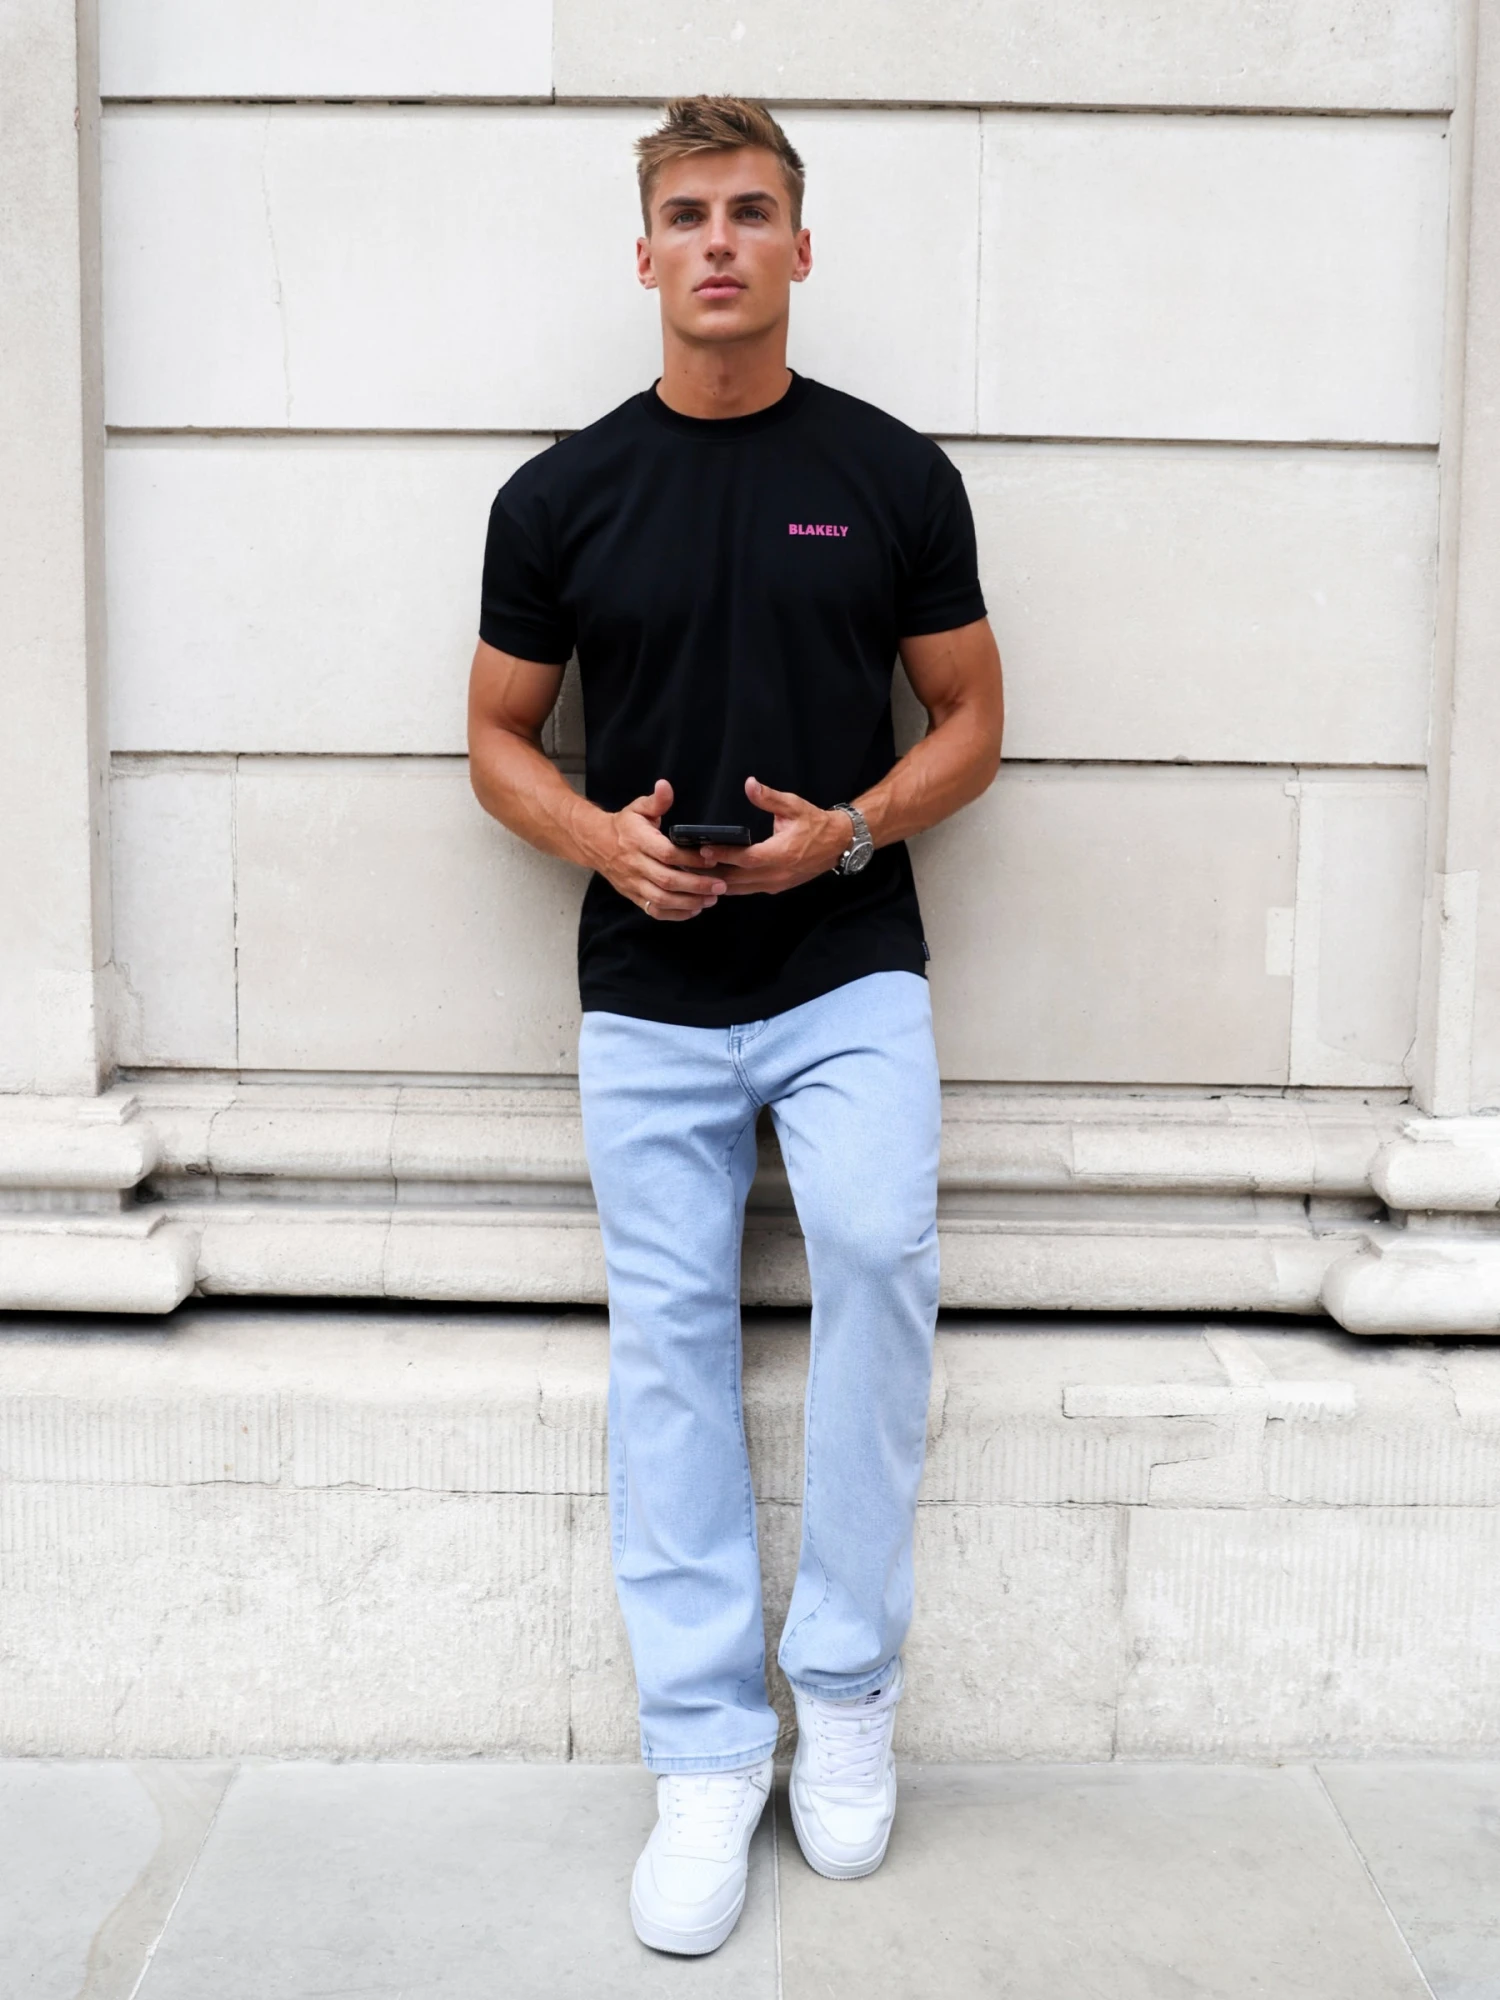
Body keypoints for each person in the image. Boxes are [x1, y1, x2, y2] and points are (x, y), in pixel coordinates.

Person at [468, 95, 1004, 1955]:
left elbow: (972, 721)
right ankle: (706, 1751)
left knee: (877, 1256)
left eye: (751, 211)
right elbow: (494, 739)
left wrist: (845, 830)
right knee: (672, 1347)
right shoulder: (560, 496)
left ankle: (845, 1693)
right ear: (645, 253)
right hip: (648, 990)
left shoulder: (890, 473)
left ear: (799, 247)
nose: (719, 241)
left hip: (848, 963)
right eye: (688, 214)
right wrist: (600, 840)